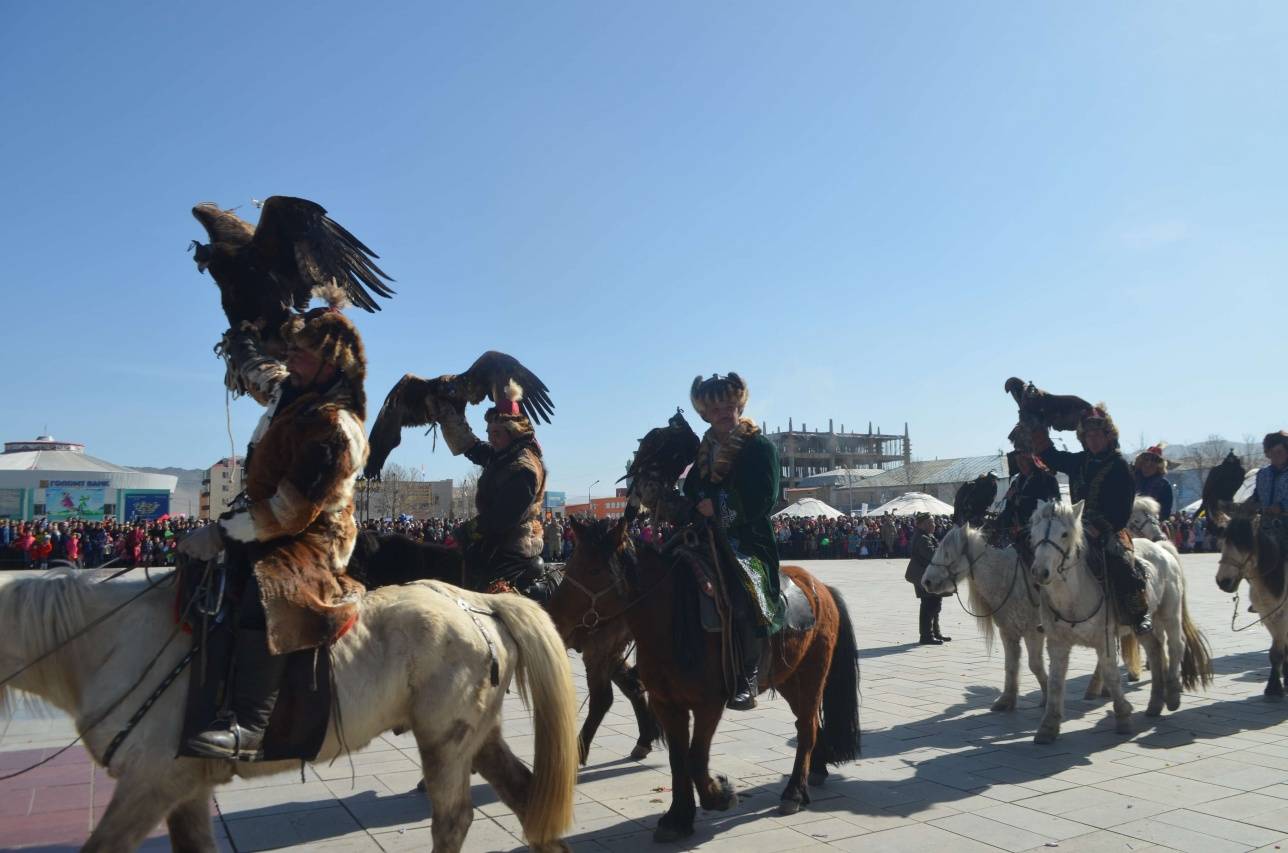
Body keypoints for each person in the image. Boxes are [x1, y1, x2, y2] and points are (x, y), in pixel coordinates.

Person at [178, 307, 369, 760]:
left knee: (272, 589)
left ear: (330, 364)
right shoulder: (292, 391)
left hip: (314, 537)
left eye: (300, 351)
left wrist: (223, 534)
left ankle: (249, 724)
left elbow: (291, 511)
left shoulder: (336, 426)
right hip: (267, 518)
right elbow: (259, 373)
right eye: (290, 348)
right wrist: (243, 342)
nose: (289, 356)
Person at [682, 373, 784, 711]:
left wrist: (720, 507)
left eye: (730, 405)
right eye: (716, 408)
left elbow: (765, 498)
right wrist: (692, 502)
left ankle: (748, 675)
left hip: (748, 539)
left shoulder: (759, 446)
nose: (725, 412)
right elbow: (693, 487)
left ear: (739, 405)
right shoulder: (705, 449)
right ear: (705, 414)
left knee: (743, 595)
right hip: (706, 535)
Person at [1031, 405, 1151, 634]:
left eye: (1097, 434)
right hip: (1076, 527)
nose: (1092, 439)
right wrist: (1036, 425)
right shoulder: (1080, 461)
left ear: (1108, 436)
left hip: (1109, 529)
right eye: (1088, 435)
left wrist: (1101, 527)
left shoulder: (1120, 466)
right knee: (1049, 557)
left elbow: (1123, 509)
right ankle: (1051, 612)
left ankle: (1138, 613)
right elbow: (1052, 457)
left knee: (1121, 564)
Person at [434, 382, 549, 597]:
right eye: (489, 432)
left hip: (512, 544)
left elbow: (500, 519)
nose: (490, 438)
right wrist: (448, 416)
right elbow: (473, 447)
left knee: (482, 594)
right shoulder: (505, 454)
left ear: (513, 433)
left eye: (496, 434)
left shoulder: (523, 469)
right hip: (496, 538)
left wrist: (461, 534)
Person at [995, 450, 1061, 565]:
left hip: (1040, 536)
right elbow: (1009, 509)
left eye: (1023, 459)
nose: (1020, 463)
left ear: (1031, 460)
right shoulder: (1016, 482)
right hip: (1015, 536)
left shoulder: (1046, 479)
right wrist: (997, 523)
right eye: (1018, 460)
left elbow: (1048, 507)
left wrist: (1016, 498)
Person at [905, 512, 950, 645]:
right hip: (926, 577)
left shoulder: (926, 536)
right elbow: (933, 556)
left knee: (935, 604)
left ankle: (935, 633)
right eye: (931, 522)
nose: (934, 525)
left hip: (929, 576)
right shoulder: (923, 538)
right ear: (923, 525)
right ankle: (926, 636)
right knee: (929, 605)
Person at [1248, 431, 1288, 555]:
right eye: (1272, 452)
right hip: (1266, 524)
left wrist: (1281, 507)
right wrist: (1248, 506)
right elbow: (1257, 497)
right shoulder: (1262, 474)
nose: (1276, 455)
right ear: (1267, 454)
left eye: (1280, 451)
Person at [1133, 444, 1174, 521]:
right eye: (1146, 460)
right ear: (1141, 463)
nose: (1148, 464)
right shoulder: (1130, 480)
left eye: (1153, 462)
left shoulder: (1164, 485)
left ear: (1159, 466)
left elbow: (1166, 510)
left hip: (1153, 522)